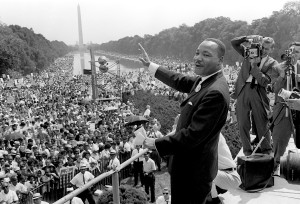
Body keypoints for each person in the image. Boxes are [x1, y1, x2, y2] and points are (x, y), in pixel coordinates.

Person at [139, 38, 230, 204]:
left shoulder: (215, 92)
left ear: (220, 60)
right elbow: (178, 80)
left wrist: (157, 143)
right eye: (197, 52)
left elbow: (193, 135)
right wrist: (150, 66)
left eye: (206, 54)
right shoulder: (206, 80)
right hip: (189, 167)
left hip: (193, 172)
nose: (198, 58)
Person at [231, 35, 278, 156]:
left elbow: (265, 81)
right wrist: (247, 37)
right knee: (242, 122)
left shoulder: (272, 63)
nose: (264, 50)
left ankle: (266, 150)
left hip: (258, 91)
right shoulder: (249, 53)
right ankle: (247, 150)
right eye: (263, 47)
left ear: (272, 49)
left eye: (267, 49)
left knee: (261, 121)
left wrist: (254, 66)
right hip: (243, 89)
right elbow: (234, 43)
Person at [271, 42, 300, 168]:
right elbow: (274, 89)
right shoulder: (278, 67)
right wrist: (282, 75)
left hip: (298, 107)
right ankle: (276, 164)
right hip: (282, 108)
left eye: (297, 52)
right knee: (279, 138)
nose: (294, 54)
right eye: (292, 51)